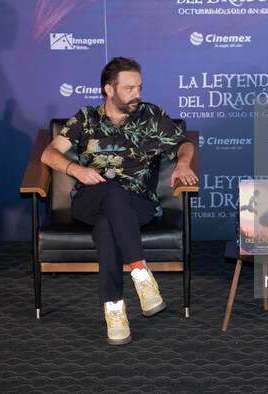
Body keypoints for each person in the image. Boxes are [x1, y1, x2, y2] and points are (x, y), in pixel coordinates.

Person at [41, 57, 198, 345]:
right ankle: (141, 273)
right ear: (109, 90)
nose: (137, 94)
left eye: (139, 87)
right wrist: (76, 170)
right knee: (110, 190)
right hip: (90, 199)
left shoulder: (150, 115)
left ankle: (114, 310)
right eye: (129, 89)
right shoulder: (86, 118)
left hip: (137, 203)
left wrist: (183, 164)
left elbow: (183, 144)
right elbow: (49, 153)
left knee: (106, 225)